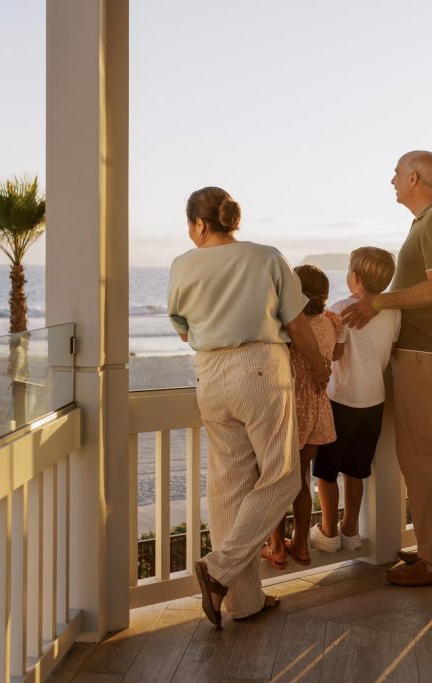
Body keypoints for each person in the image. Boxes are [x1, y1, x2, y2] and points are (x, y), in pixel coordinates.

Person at [167, 186, 331, 627]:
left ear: (199, 224)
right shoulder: (266, 257)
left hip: (209, 374)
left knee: (228, 487)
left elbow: (184, 329)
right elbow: (297, 324)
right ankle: (219, 571)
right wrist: (319, 367)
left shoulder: (182, 264)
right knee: (282, 476)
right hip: (260, 368)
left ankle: (242, 602)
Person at [342, 151, 432, 587]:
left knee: (417, 458)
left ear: (414, 177)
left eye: (397, 173)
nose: (392, 180)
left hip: (426, 354)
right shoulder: (427, 223)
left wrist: (376, 301)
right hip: (426, 352)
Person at [309, 247, 400, 553]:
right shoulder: (393, 312)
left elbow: (335, 352)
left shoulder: (340, 308)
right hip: (374, 401)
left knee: (325, 470)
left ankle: (328, 531)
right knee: (357, 469)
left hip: (342, 398)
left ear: (355, 277)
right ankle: (351, 530)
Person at [261, 265, 340, 569]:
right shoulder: (331, 322)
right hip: (317, 408)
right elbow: (336, 356)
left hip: (288, 407)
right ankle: (302, 546)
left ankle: (278, 547)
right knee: (301, 481)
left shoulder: (288, 326)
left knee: (278, 481)